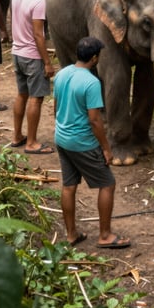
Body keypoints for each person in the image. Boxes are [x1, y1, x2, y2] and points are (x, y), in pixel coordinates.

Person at [54, 36, 130, 249]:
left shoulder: (62, 74)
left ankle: (71, 234)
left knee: (69, 186)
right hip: (82, 142)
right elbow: (95, 120)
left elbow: (56, 106)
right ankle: (105, 235)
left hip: (62, 137)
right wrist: (106, 148)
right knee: (107, 184)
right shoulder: (91, 82)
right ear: (95, 58)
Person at [10, 0, 57, 154]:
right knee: (36, 98)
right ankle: (31, 142)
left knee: (22, 94)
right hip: (32, 56)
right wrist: (47, 62)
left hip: (17, 53)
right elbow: (39, 35)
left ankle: (17, 136)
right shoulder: (39, 2)